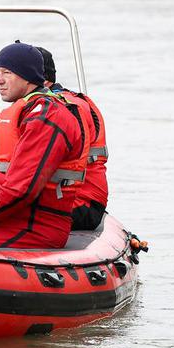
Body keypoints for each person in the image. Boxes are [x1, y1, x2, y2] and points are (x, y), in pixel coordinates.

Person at [0, 41, 89, 249]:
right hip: (11, 216)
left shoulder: (47, 116)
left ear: (27, 75)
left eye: (7, 72)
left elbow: (22, 190)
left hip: (35, 225)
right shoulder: (26, 111)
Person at [35, 46, 109, 231]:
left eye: (11, 74)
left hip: (79, 205)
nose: (0, 81)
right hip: (75, 200)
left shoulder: (61, 110)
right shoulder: (55, 104)